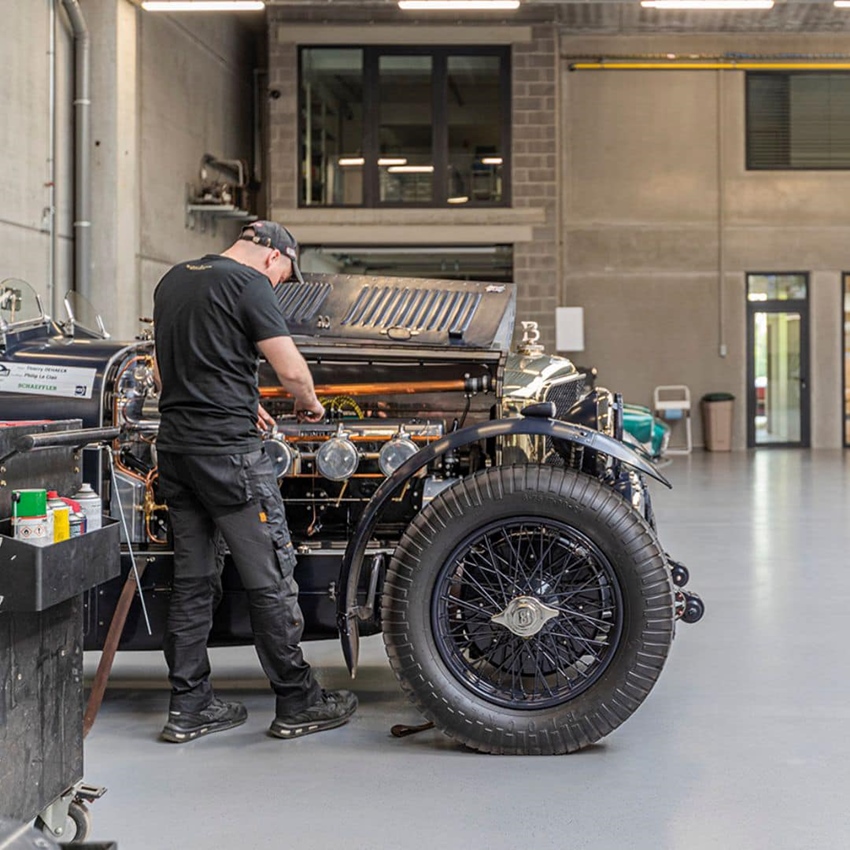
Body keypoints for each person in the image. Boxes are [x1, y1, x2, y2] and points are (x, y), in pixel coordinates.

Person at [153, 221, 357, 743]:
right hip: (229, 458)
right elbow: (291, 371)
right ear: (273, 256)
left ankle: (189, 707)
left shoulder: (173, 280)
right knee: (270, 575)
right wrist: (310, 404)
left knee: (193, 579)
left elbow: (162, 373)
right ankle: (297, 701)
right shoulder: (249, 283)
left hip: (176, 451)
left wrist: (242, 403)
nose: (280, 282)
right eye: (285, 273)